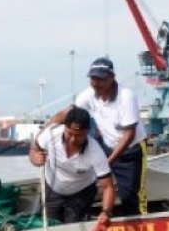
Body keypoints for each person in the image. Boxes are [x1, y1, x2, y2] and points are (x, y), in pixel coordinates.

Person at [49, 57, 149, 216]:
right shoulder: (88, 95)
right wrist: (46, 128)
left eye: (100, 79)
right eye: (92, 78)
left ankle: (139, 225)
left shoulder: (126, 97)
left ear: (112, 77)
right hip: (106, 144)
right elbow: (69, 113)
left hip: (130, 149)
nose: (95, 83)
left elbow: (129, 134)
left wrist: (107, 162)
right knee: (84, 179)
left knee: (130, 196)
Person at [29, 106, 116, 224]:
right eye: (70, 133)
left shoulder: (95, 151)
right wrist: (35, 158)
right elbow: (34, 149)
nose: (73, 139)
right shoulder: (50, 134)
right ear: (64, 127)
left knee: (73, 227)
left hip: (80, 194)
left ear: (87, 132)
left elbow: (108, 186)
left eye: (79, 135)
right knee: (50, 225)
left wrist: (106, 212)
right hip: (52, 189)